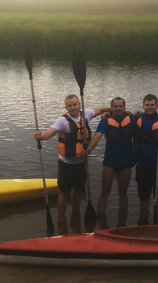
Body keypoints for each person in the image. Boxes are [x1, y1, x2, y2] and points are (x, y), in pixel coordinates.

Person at [33, 94, 111, 226]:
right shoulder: (62, 121)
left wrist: (114, 110)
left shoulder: (86, 114)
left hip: (80, 162)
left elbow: (100, 110)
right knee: (64, 191)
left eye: (75, 104)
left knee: (78, 189)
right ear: (66, 108)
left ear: (79, 105)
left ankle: (75, 212)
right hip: (66, 164)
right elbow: (49, 134)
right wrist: (40, 136)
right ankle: (61, 216)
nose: (73, 107)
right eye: (69, 106)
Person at [84, 97, 137, 225]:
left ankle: (122, 222)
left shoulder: (131, 119)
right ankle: (100, 220)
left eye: (120, 106)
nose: (118, 108)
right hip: (110, 162)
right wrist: (88, 151)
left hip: (125, 162)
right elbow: (97, 137)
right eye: (115, 106)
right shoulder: (105, 121)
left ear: (124, 107)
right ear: (111, 108)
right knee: (104, 192)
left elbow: (139, 134)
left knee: (123, 193)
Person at [134, 94, 158, 225]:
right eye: (147, 105)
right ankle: (143, 220)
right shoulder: (138, 120)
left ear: (156, 106)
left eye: (152, 105)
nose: (149, 107)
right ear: (143, 105)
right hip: (142, 165)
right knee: (143, 195)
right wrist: (105, 115)